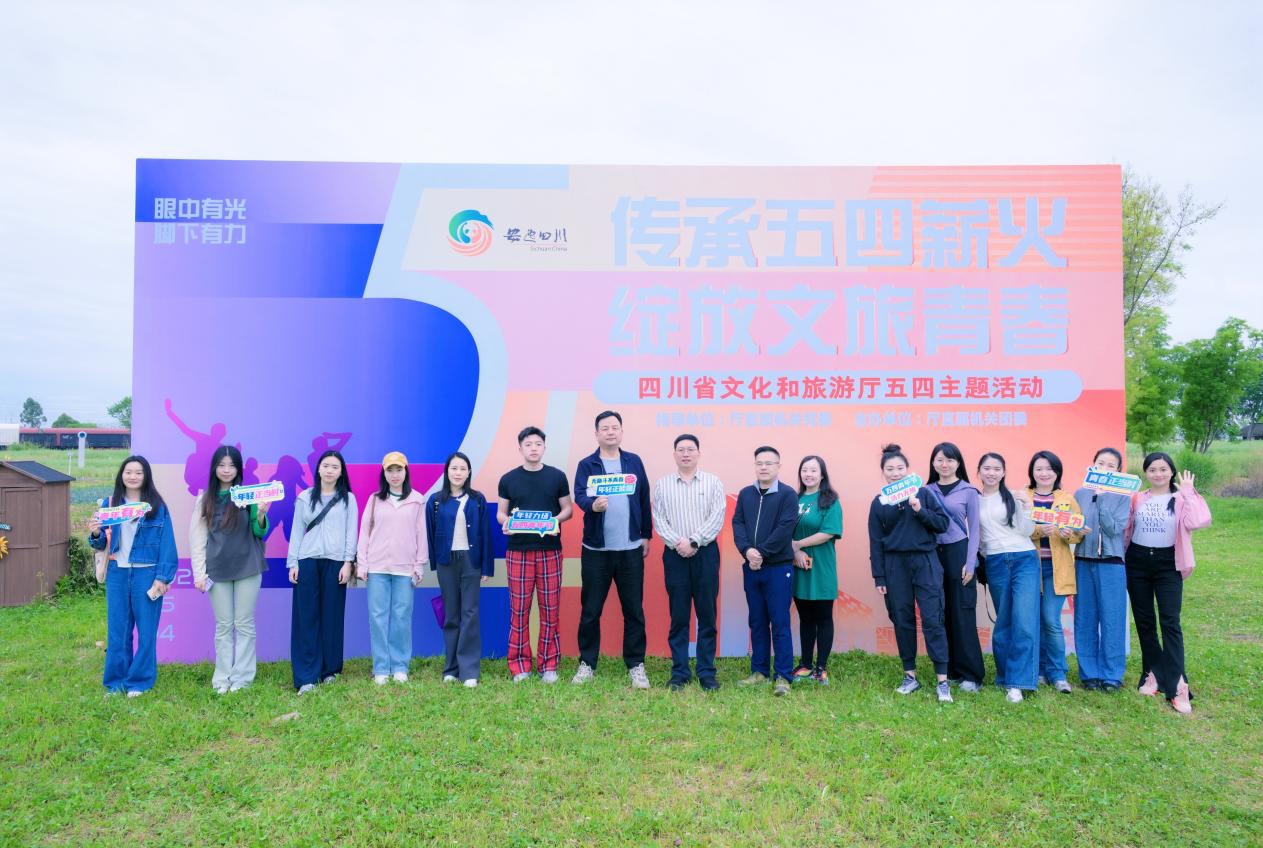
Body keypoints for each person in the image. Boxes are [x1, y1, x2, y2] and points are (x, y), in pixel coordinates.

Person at [1124, 452, 1212, 714]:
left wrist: (1189, 491)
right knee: (1144, 621)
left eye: (1163, 469)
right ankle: (1153, 673)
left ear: (1171, 471)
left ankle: (1178, 685)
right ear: (1146, 473)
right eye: (1152, 469)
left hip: (1168, 564)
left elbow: (1199, 521)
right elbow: (1126, 527)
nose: (1158, 474)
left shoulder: (1181, 498)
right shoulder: (1138, 498)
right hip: (1137, 561)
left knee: (1170, 622)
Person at [571, 411, 653, 688]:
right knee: (591, 610)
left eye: (614, 427)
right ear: (596, 434)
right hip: (596, 550)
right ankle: (587, 663)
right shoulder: (587, 464)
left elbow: (643, 497)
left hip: (630, 548)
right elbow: (579, 494)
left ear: (621, 432)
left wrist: (645, 535)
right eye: (604, 428)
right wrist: (592, 505)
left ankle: (636, 664)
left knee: (634, 610)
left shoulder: (633, 461)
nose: (610, 432)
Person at [867, 444, 953, 701]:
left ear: (908, 470)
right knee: (902, 619)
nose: (895, 473)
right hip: (895, 565)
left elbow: (943, 523)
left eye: (900, 468)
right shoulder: (879, 502)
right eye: (890, 469)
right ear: (883, 472)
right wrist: (879, 576)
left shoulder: (923, 493)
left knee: (932, 618)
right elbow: (876, 541)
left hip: (925, 561)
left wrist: (919, 510)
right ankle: (910, 676)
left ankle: (943, 681)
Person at [88, 455, 177, 697]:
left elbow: (167, 544)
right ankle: (116, 682)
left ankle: (139, 682)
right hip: (117, 572)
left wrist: (163, 577)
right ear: (121, 475)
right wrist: (95, 533)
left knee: (147, 632)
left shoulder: (157, 507)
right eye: (128, 472)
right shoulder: (109, 504)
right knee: (118, 631)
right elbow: (100, 543)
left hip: (147, 574)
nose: (133, 476)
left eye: (139, 472)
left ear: (146, 476)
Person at [190, 445, 270, 694]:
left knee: (244, 623)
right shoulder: (204, 499)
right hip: (217, 569)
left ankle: (242, 677)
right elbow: (197, 538)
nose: (226, 470)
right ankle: (222, 678)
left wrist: (261, 514)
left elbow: (259, 531)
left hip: (248, 566)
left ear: (239, 469)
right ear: (214, 468)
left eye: (232, 465)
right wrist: (199, 573)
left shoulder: (248, 495)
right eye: (222, 465)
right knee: (224, 625)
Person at [651, 434, 727, 691]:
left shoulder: (713, 482)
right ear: (674, 454)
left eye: (690, 449)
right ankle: (680, 672)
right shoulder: (663, 485)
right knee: (679, 615)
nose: (686, 454)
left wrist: (694, 541)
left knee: (707, 614)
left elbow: (717, 517)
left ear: (698, 453)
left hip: (705, 553)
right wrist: (679, 543)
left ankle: (706, 672)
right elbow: (659, 520)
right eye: (681, 450)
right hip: (675, 555)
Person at [497, 427, 573, 684]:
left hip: (550, 551)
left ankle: (548, 665)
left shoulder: (557, 476)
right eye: (528, 444)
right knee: (519, 610)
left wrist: (553, 521)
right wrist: (507, 522)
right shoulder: (508, 479)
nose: (533, 448)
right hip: (518, 552)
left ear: (544, 447)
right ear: (520, 448)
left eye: (538, 443)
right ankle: (519, 665)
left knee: (550, 609)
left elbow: (568, 510)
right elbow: (501, 513)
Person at [287, 450, 357, 694]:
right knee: (306, 618)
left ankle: (330, 670)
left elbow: (351, 532)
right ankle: (306, 675)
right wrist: (293, 563)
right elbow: (297, 531)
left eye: (335, 467)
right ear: (318, 469)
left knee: (332, 616)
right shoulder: (305, 497)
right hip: (307, 561)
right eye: (326, 465)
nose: (329, 470)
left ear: (341, 472)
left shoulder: (348, 499)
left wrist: (348, 562)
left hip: (336, 563)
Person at [733, 446, 800, 697]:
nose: (764, 467)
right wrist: (747, 551)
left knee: (779, 621)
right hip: (751, 567)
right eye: (759, 463)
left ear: (778, 466)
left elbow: (785, 529)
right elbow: (738, 523)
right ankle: (759, 671)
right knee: (757, 621)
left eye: (769, 463)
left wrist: (760, 553)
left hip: (778, 568)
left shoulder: (788, 495)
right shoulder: (746, 494)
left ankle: (783, 675)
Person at [356, 452, 428, 685]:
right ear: (384, 473)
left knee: (401, 617)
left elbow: (421, 534)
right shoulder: (375, 499)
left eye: (399, 470)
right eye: (390, 470)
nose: (395, 475)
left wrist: (419, 564)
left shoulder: (417, 500)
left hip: (405, 569)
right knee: (377, 617)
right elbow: (364, 532)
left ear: (406, 471)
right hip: (377, 568)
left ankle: (399, 666)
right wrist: (362, 563)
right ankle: (381, 668)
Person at [427, 451, 494, 687]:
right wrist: (435, 563)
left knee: (470, 613)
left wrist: (486, 566)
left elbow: (486, 533)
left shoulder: (478, 499)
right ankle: (451, 669)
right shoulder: (436, 501)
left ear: (469, 472)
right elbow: (430, 533)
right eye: (454, 468)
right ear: (447, 472)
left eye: (462, 469)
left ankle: (469, 671)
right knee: (451, 614)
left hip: (471, 561)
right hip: (446, 562)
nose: (458, 473)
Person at [975, 452, 1038, 703]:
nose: (991, 473)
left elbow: (1028, 530)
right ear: (979, 471)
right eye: (987, 468)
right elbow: (978, 538)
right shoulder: (974, 500)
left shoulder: (1014, 496)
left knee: (1024, 620)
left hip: (1024, 559)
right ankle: (1005, 676)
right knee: (1004, 622)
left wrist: (1028, 508)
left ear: (1003, 472)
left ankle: (1017, 682)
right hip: (995, 561)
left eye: (996, 469)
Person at [926, 442, 984, 692]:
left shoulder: (969, 491)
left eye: (950, 460)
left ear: (958, 463)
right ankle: (948, 671)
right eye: (939, 460)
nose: (945, 464)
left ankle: (971, 674)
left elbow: (976, 530)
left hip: (959, 553)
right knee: (941, 612)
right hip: (932, 554)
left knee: (962, 612)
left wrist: (970, 563)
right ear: (933, 463)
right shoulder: (925, 491)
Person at [1072, 447, 1131, 692]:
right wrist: (1075, 530)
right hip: (1083, 561)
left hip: (1111, 562)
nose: (1104, 469)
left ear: (1118, 470)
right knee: (1084, 618)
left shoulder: (1123, 497)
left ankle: (1112, 675)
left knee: (1112, 619)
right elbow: (1073, 526)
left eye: (1111, 465)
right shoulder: (1080, 493)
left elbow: (1115, 529)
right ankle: (1089, 673)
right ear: (1092, 465)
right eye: (1100, 463)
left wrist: (1103, 499)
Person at [1026, 450, 1084, 694]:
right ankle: (1039, 670)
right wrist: (1041, 530)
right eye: (1039, 468)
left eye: (1049, 469)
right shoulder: (1022, 497)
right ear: (1032, 472)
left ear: (1057, 472)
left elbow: (1079, 531)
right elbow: (1016, 528)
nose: (1044, 473)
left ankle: (1058, 673)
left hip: (1056, 569)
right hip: (1028, 569)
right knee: (1034, 621)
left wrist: (1068, 534)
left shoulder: (1067, 499)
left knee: (1051, 620)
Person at [789, 455, 843, 686]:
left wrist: (798, 545)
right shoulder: (793, 499)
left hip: (821, 566)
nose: (808, 474)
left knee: (823, 617)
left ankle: (821, 667)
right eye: (805, 470)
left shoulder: (830, 500)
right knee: (805, 617)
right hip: (797, 565)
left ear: (822, 475)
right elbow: (783, 530)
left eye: (813, 470)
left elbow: (829, 532)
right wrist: (795, 551)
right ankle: (805, 664)